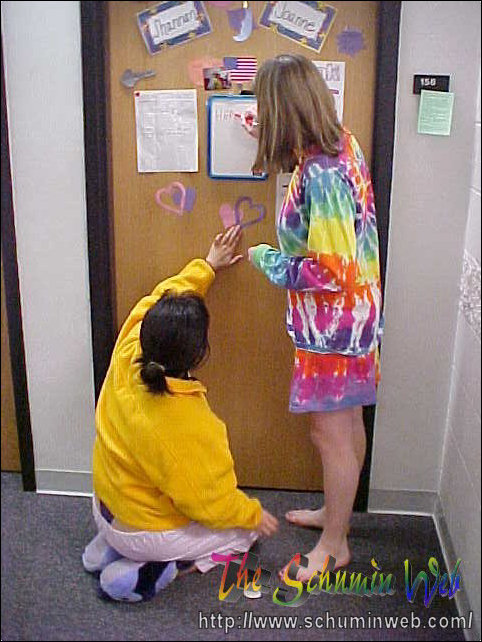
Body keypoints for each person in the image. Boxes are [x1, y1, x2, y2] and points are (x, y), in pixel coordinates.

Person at [82, 226, 278, 601]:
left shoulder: (129, 346)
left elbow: (164, 293)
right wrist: (252, 514)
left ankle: (109, 546)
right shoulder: (187, 422)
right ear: (198, 354)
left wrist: (208, 265)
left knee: (148, 489)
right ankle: (151, 568)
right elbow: (209, 501)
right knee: (244, 534)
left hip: (104, 502)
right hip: (142, 530)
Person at [244, 54, 383, 582]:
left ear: (283, 110)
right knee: (347, 426)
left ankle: (333, 545)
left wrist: (267, 259)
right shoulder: (340, 144)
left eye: (265, 108)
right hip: (354, 320)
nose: (262, 116)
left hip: (334, 329)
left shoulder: (321, 173)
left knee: (331, 435)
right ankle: (336, 515)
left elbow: (328, 269)